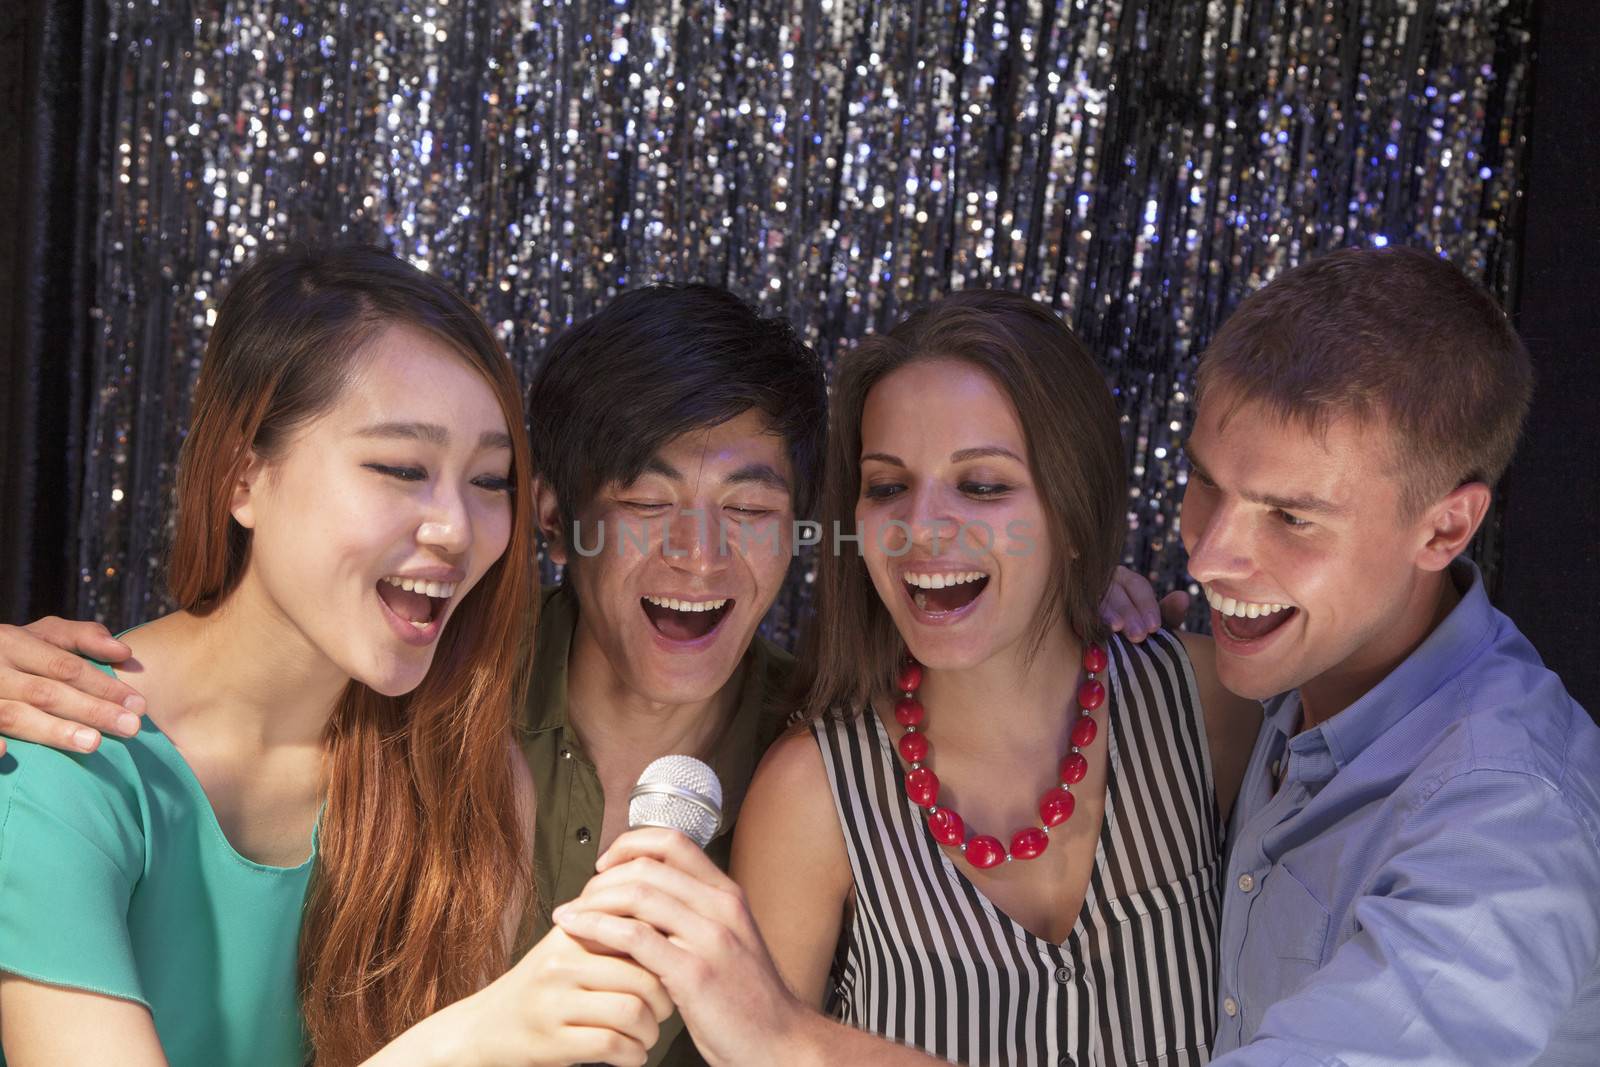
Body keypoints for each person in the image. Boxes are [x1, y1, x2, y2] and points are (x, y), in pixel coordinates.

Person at [551, 290, 1262, 1064]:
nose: (922, 527)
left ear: (1074, 502)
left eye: (983, 486)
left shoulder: (1210, 706)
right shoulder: (810, 791)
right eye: (888, 487)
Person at [0, 246, 559, 1065]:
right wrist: (460, 1044)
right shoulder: (62, 756)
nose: (457, 530)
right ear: (242, 477)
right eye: (402, 467)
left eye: (490, 479)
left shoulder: (470, 780)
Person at [1173, 247, 1600, 1064]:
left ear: (1444, 528)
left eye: (1290, 519)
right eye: (1204, 482)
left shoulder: (1509, 822)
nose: (1206, 558)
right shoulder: (1300, 665)